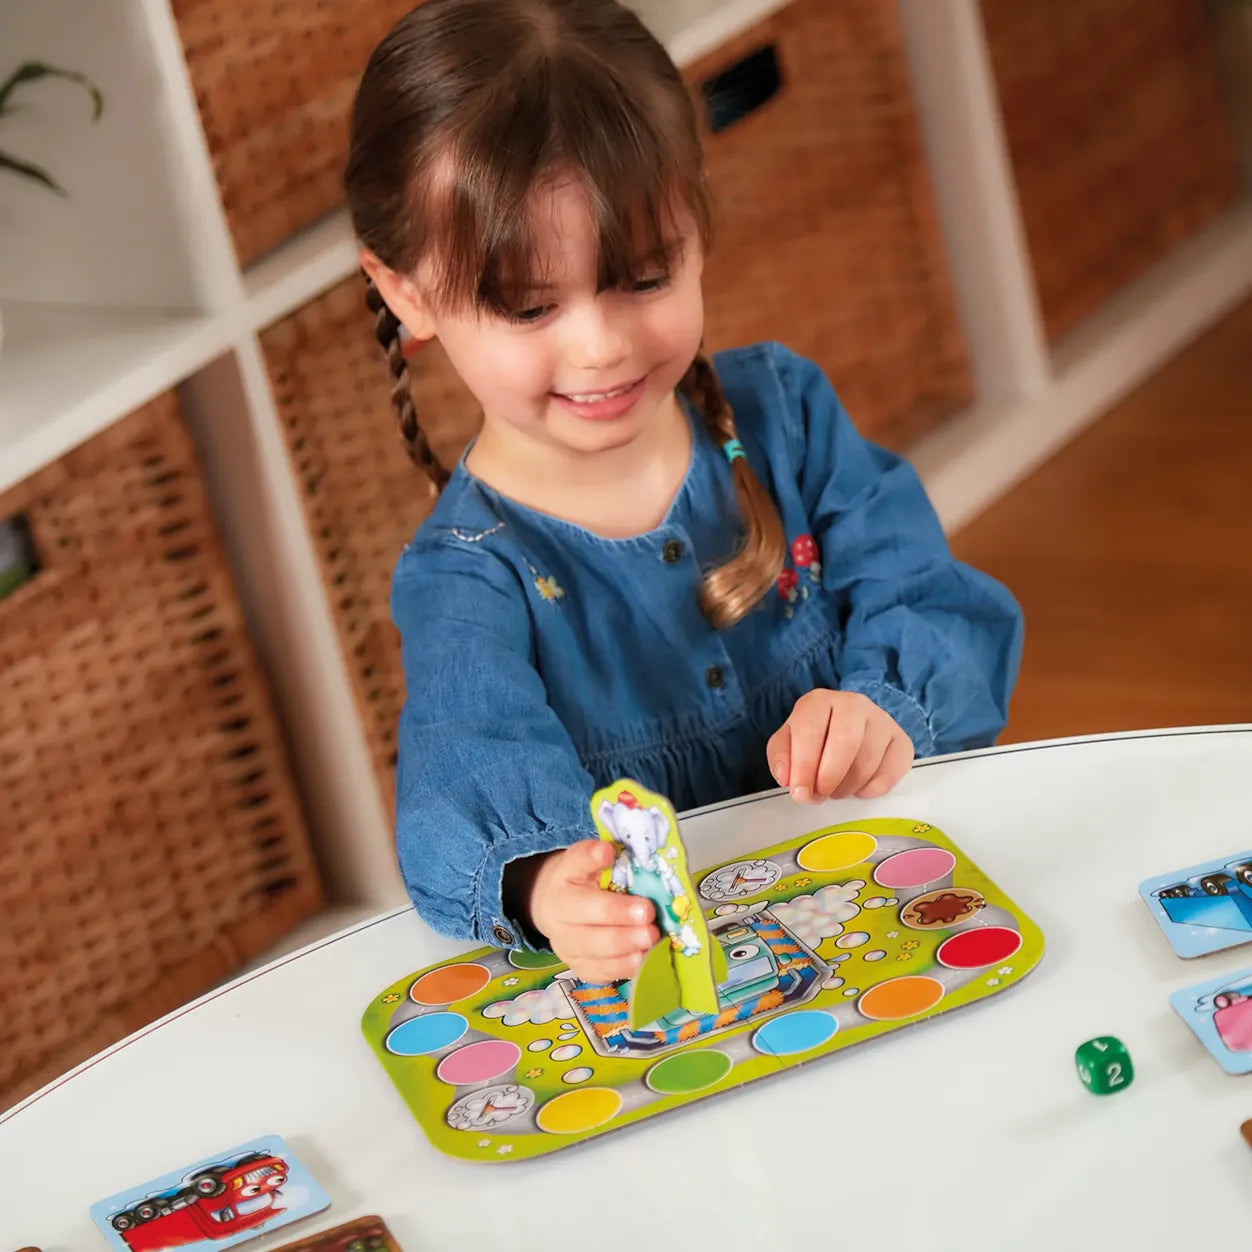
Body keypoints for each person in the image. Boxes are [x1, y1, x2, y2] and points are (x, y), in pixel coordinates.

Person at [344, 0, 1023, 983]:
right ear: (407, 294)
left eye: (642, 277)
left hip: (884, 906)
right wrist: (544, 886)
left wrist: (883, 708)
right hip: (689, 992)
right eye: (531, 306)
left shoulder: (782, 410)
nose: (600, 344)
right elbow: (466, 770)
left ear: (695, 226)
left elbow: (924, 593)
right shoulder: (467, 580)